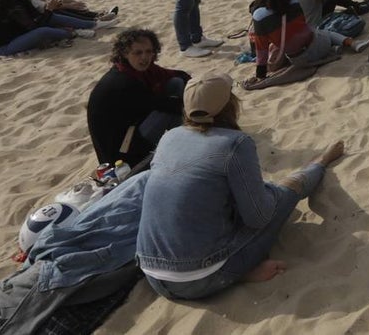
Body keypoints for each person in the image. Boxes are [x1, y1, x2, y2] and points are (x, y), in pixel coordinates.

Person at [136, 73, 345, 301]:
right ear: (230, 105)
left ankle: (237, 268)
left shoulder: (169, 137)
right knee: (282, 196)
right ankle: (320, 163)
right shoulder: (235, 143)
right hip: (198, 278)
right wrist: (270, 193)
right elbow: (259, 217)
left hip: (151, 273)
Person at [87, 29, 189, 168]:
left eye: (149, 51)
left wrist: (194, 86)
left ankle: (184, 138)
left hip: (133, 124)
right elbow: (165, 106)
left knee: (175, 82)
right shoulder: (123, 82)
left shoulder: (136, 69)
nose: (145, 57)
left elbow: (176, 75)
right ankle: (186, 145)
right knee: (169, 113)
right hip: (123, 153)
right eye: (138, 53)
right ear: (124, 53)